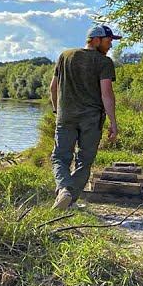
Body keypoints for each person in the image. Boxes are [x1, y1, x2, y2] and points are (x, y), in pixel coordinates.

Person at [49, 24, 122, 210]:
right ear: (96, 40)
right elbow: (107, 93)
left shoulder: (65, 56)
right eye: (108, 41)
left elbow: (53, 87)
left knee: (59, 157)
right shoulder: (104, 63)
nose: (110, 45)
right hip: (92, 120)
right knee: (84, 161)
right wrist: (113, 122)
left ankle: (64, 191)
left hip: (66, 117)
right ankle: (69, 197)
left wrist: (57, 111)